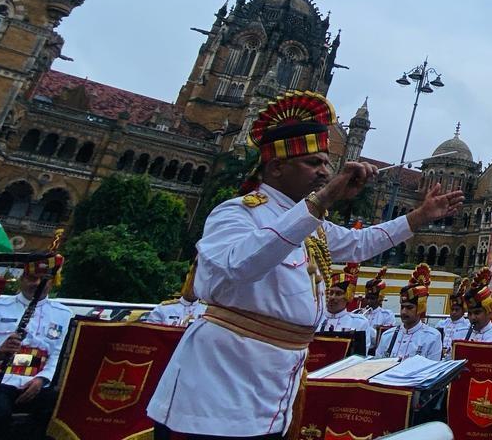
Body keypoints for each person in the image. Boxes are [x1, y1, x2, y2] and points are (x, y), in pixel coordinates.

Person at [147, 90, 463, 439]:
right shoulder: (237, 212)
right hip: (216, 391)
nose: (324, 172)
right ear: (276, 167)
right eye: (313, 163)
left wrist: (419, 217)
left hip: (275, 389)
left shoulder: (310, 223)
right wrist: (320, 201)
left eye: (326, 164)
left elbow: (359, 244)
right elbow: (239, 266)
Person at [0, 251, 71, 440]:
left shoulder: (63, 314)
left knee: (59, 410)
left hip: (35, 383)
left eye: (43, 279)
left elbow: (57, 356)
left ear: (52, 282)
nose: (36, 283)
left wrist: (42, 379)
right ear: (22, 278)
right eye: (32, 278)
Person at [377, 264, 441, 361]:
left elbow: (432, 369)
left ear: (420, 308)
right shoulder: (387, 336)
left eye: (409, 307)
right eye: (402, 307)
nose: (404, 312)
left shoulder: (432, 337)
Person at [320, 268, 375, 351]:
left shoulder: (359, 323)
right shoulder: (315, 319)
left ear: (348, 297)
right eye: (330, 293)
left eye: (338, 293)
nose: (332, 297)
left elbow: (359, 355)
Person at [145, 261, 207, 327]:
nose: (193, 289)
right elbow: (150, 331)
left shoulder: (207, 311)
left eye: (197, 285)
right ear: (183, 285)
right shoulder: (163, 309)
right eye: (190, 285)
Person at [461, 269, 492, 345]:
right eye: (470, 313)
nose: (472, 317)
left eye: (477, 313)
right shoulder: (459, 333)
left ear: (489, 313)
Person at [357, 267, 395, 333]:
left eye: (372, 299)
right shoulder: (359, 313)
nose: (369, 301)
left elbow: (384, 335)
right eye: (367, 298)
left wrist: (365, 327)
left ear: (379, 299)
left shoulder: (387, 315)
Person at [436, 293, 471, 358]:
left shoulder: (468, 325)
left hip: (458, 356)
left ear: (463, 311)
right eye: (452, 309)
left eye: (457, 310)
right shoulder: (442, 323)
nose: (454, 312)